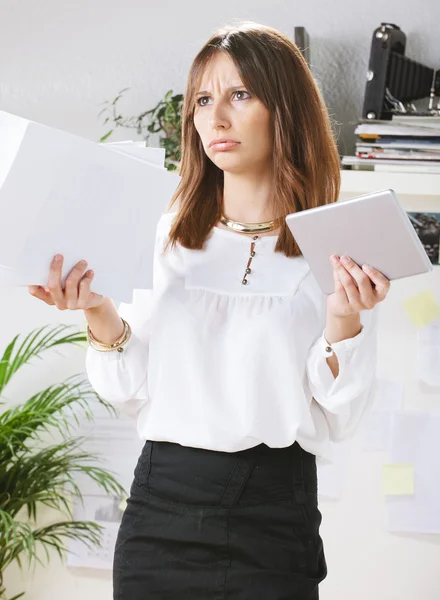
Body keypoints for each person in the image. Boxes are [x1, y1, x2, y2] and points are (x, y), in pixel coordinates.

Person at [29, 21, 391, 600]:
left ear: (285, 110)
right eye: (203, 100)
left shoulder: (336, 245)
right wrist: (96, 309)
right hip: (160, 513)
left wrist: (344, 321)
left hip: (274, 520)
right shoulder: (163, 237)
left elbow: (340, 417)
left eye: (240, 95)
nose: (215, 118)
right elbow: (131, 390)